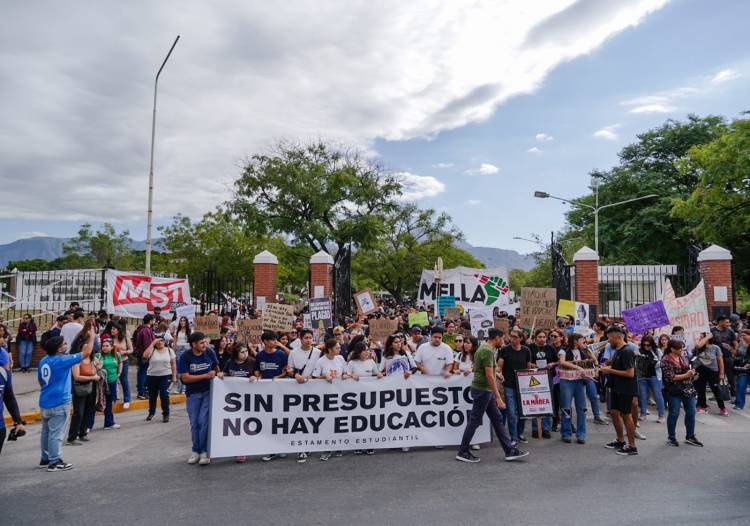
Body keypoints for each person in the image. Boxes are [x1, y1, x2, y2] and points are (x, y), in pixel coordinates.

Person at [456, 328, 529, 463]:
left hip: (483, 390)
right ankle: (463, 450)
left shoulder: (484, 348)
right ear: (496, 337)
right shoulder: (487, 351)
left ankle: (509, 450)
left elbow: (485, 370)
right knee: (475, 421)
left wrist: (498, 374)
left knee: (497, 419)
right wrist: (498, 397)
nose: (503, 341)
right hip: (483, 390)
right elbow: (488, 375)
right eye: (502, 338)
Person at [38, 331, 94, 471]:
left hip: (45, 400)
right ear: (58, 348)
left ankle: (45, 458)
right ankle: (54, 461)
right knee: (56, 433)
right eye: (64, 344)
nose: (66, 345)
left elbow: (40, 380)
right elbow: (86, 353)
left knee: (46, 432)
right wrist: (92, 336)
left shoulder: (43, 360)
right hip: (59, 401)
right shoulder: (62, 360)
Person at [178, 331, 221, 466]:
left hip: (208, 392)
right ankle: (195, 451)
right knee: (194, 423)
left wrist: (218, 374)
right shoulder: (185, 356)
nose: (204, 344)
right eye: (201, 342)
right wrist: (205, 376)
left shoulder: (209, 352)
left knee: (204, 422)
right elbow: (185, 378)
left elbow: (216, 368)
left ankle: (204, 451)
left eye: (205, 342)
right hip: (193, 394)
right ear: (193, 344)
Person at [599, 326, 638, 456]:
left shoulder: (627, 351)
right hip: (615, 387)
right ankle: (620, 440)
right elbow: (617, 366)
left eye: (609, 338)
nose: (608, 340)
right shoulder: (618, 350)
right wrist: (608, 365)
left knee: (626, 415)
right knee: (614, 413)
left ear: (617, 337)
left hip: (625, 388)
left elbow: (630, 373)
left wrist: (609, 370)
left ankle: (632, 446)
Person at [312, 338, 349, 461]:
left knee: (339, 420)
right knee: (327, 421)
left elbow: (345, 372)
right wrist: (324, 376)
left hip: (340, 395)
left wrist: (345, 375)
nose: (339, 349)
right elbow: (314, 378)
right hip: (325, 396)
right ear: (329, 349)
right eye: (337, 348)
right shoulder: (321, 361)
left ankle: (338, 445)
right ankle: (327, 448)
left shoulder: (340, 359)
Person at [661, 339, 702, 447]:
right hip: (674, 390)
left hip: (687, 388)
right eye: (679, 348)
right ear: (672, 349)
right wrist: (687, 375)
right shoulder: (666, 360)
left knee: (691, 412)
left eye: (682, 348)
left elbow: (686, 372)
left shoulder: (682, 358)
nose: (682, 350)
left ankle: (690, 436)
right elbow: (670, 377)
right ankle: (671, 438)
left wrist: (692, 374)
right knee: (674, 413)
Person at [497, 329, 533, 445]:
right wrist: (498, 373)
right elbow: (499, 366)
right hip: (509, 385)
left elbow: (528, 368)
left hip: (522, 386)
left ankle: (520, 433)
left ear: (521, 339)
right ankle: (513, 438)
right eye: (511, 336)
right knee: (511, 413)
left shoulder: (526, 350)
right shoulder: (504, 350)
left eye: (515, 337)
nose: (512, 338)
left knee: (522, 413)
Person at [558, 334, 590, 444]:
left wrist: (590, 353)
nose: (584, 342)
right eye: (582, 340)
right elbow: (562, 362)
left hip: (580, 382)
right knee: (566, 408)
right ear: (575, 341)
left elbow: (592, 363)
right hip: (566, 381)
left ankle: (581, 434)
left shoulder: (584, 351)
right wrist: (577, 367)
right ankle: (566, 433)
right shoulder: (563, 350)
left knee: (582, 408)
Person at [66, 344, 98, 445]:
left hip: (91, 387)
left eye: (89, 348)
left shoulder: (92, 360)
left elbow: (94, 372)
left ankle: (82, 433)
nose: (87, 350)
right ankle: (72, 437)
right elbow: (77, 376)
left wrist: (97, 368)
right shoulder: (77, 360)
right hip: (79, 388)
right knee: (78, 412)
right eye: (85, 348)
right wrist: (92, 378)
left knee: (88, 410)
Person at [528, 329, 556, 439]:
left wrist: (552, 364)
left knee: (546, 402)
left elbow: (556, 361)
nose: (542, 339)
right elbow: (526, 361)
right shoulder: (530, 348)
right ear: (535, 337)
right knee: (535, 401)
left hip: (547, 377)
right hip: (534, 377)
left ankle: (546, 428)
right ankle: (536, 428)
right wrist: (532, 365)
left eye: (544, 337)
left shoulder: (550, 348)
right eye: (539, 337)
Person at [143, 336, 176, 423]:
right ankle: (151, 412)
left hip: (165, 376)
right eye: (157, 341)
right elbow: (145, 355)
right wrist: (152, 343)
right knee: (152, 396)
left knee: (164, 395)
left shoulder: (170, 350)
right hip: (152, 376)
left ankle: (166, 414)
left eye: (161, 341)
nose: (159, 342)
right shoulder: (152, 350)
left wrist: (174, 377)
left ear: (165, 342)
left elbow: (173, 365)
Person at [693, 333, 727, 415]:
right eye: (700, 337)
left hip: (713, 370)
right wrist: (705, 338)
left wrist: (721, 373)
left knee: (715, 389)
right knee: (701, 389)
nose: (700, 338)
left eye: (702, 337)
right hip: (700, 369)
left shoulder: (715, 347)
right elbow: (698, 346)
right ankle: (702, 406)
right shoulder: (698, 347)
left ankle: (722, 407)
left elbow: (720, 360)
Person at [636, 335, 665, 422]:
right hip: (642, 376)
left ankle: (661, 415)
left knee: (658, 395)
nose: (646, 347)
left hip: (654, 376)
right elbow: (635, 363)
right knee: (642, 396)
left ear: (652, 344)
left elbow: (662, 362)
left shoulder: (657, 351)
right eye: (644, 345)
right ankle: (643, 414)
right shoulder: (639, 351)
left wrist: (654, 363)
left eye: (648, 345)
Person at [96, 337, 122, 430]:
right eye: (103, 346)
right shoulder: (98, 355)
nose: (105, 347)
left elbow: (120, 363)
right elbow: (96, 367)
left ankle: (109, 423)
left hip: (112, 381)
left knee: (109, 403)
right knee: (99, 402)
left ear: (111, 347)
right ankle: (88, 426)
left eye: (107, 346)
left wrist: (119, 373)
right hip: (102, 383)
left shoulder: (116, 355)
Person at [104, 321, 132, 409]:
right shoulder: (109, 339)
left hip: (123, 361)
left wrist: (124, 352)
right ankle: (113, 398)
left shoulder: (125, 337)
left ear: (118, 330)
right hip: (112, 362)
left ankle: (127, 400)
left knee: (124, 380)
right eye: (111, 328)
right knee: (112, 380)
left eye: (114, 329)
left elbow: (131, 349)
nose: (111, 330)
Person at [711, 316, 737, 399]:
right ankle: (717, 394)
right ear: (720, 322)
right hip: (715, 358)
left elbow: (735, 343)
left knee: (730, 377)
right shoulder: (712, 330)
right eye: (726, 322)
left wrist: (733, 352)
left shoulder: (730, 331)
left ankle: (733, 395)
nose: (728, 324)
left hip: (727, 357)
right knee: (716, 377)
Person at [133, 314, 156, 400]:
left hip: (141, 354)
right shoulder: (146, 330)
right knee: (143, 373)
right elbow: (148, 345)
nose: (154, 321)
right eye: (153, 320)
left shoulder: (141, 329)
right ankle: (142, 392)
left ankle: (142, 391)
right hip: (144, 355)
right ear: (150, 321)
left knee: (142, 373)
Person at [171, 316, 191, 394]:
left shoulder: (189, 331)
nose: (182, 322)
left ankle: (184, 388)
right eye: (181, 321)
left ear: (186, 322)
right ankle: (179, 388)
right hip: (178, 349)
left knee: (186, 369)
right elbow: (174, 343)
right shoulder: (177, 331)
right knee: (179, 369)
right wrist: (173, 351)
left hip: (187, 349)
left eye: (184, 321)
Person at [733, 330, 750, 410]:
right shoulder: (741, 344)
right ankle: (739, 404)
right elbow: (737, 354)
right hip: (743, 369)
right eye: (741, 335)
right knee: (741, 386)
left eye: (744, 335)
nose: (742, 337)